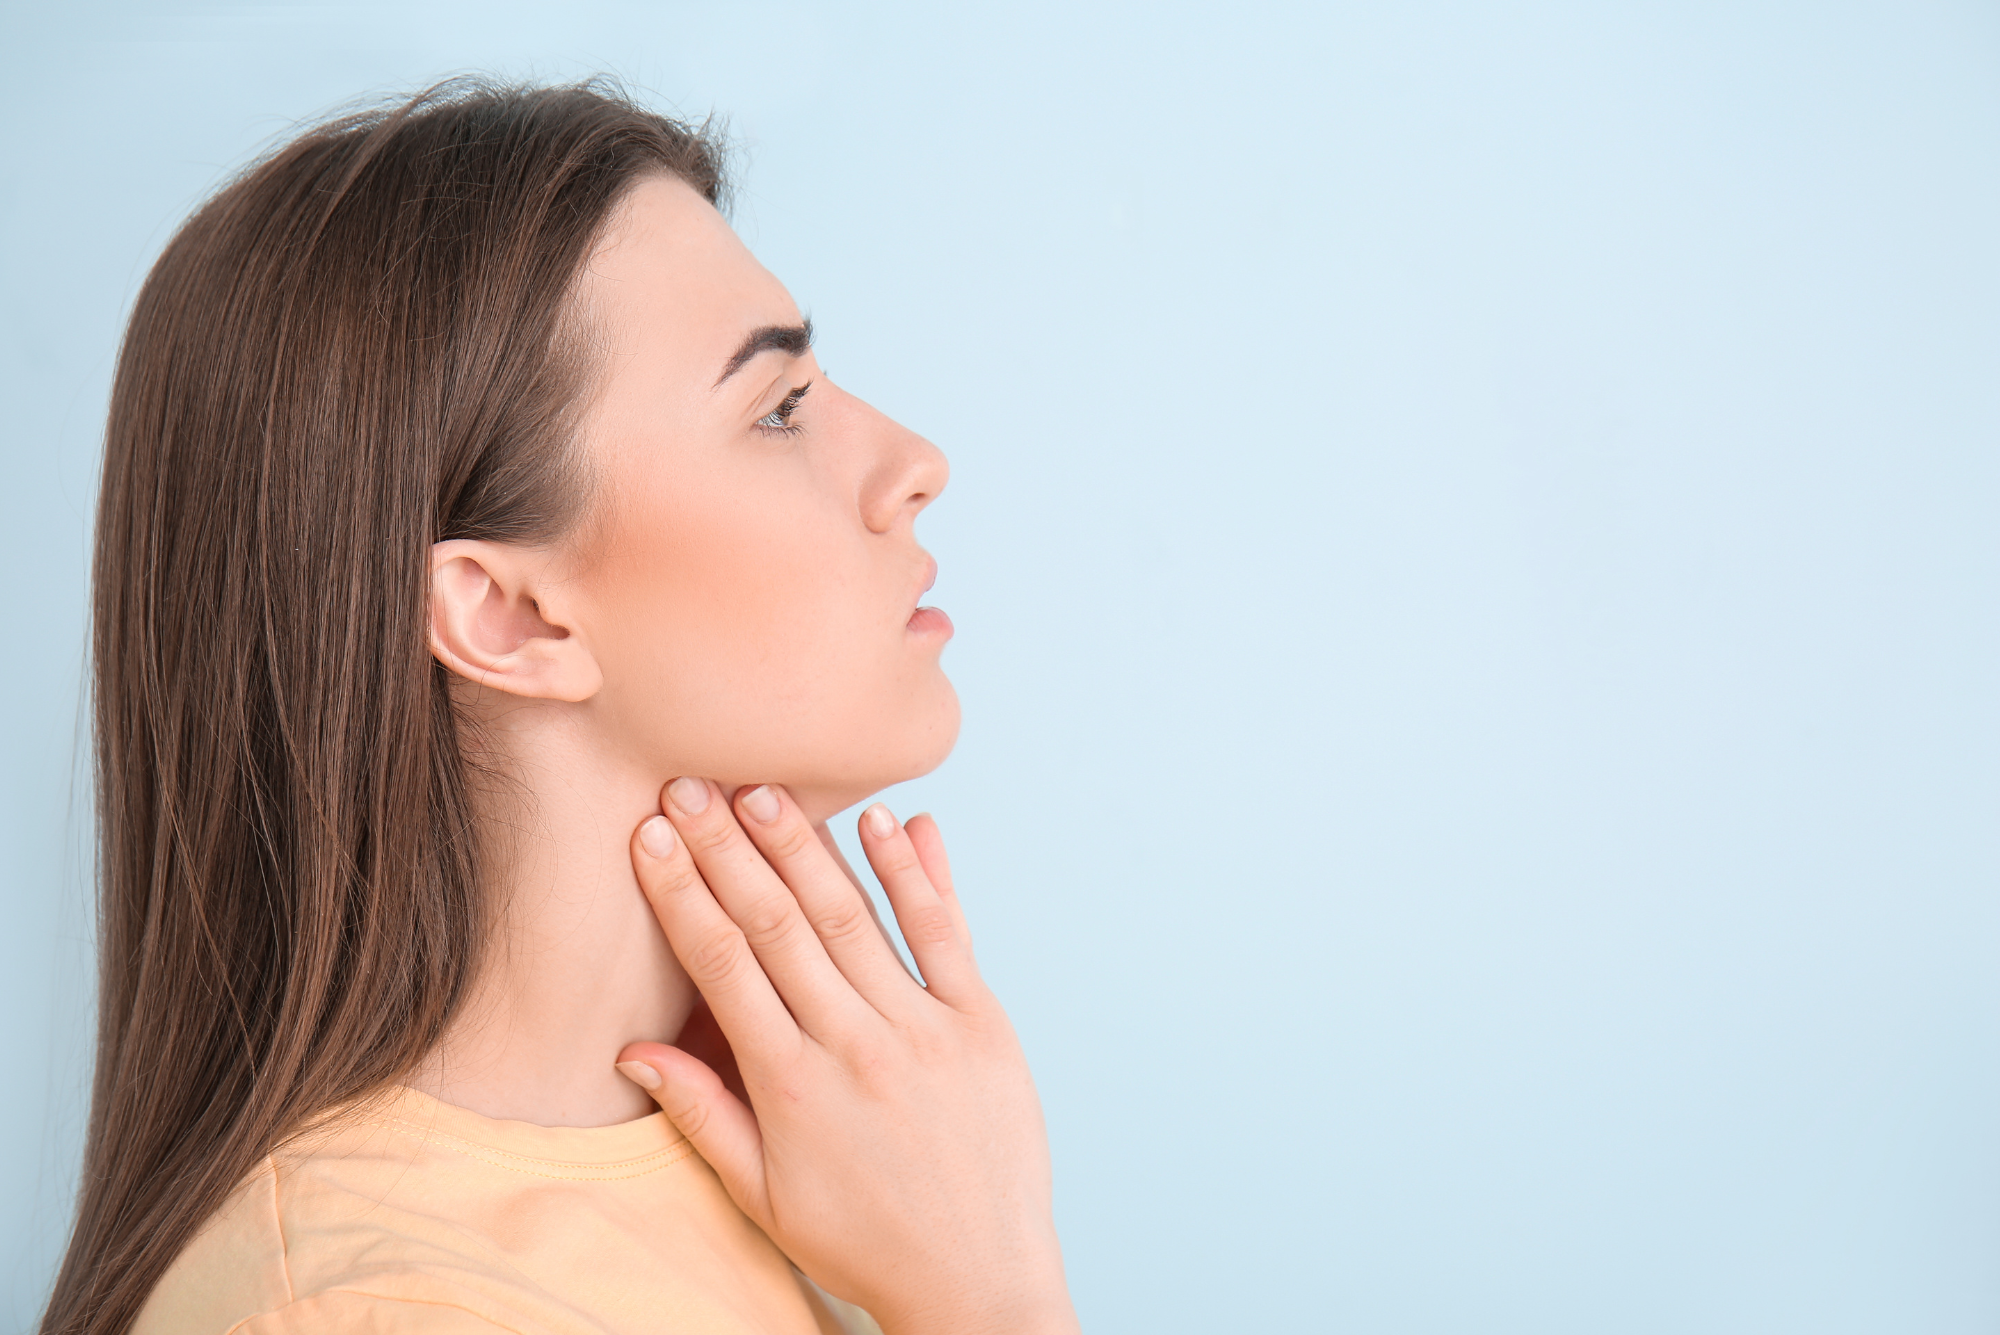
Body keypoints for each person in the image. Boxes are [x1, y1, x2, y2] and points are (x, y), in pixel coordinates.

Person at [41, 79, 1078, 1335]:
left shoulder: (810, 1162)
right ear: (507, 617)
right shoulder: (374, 1311)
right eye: (777, 410)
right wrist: (991, 1296)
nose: (915, 464)